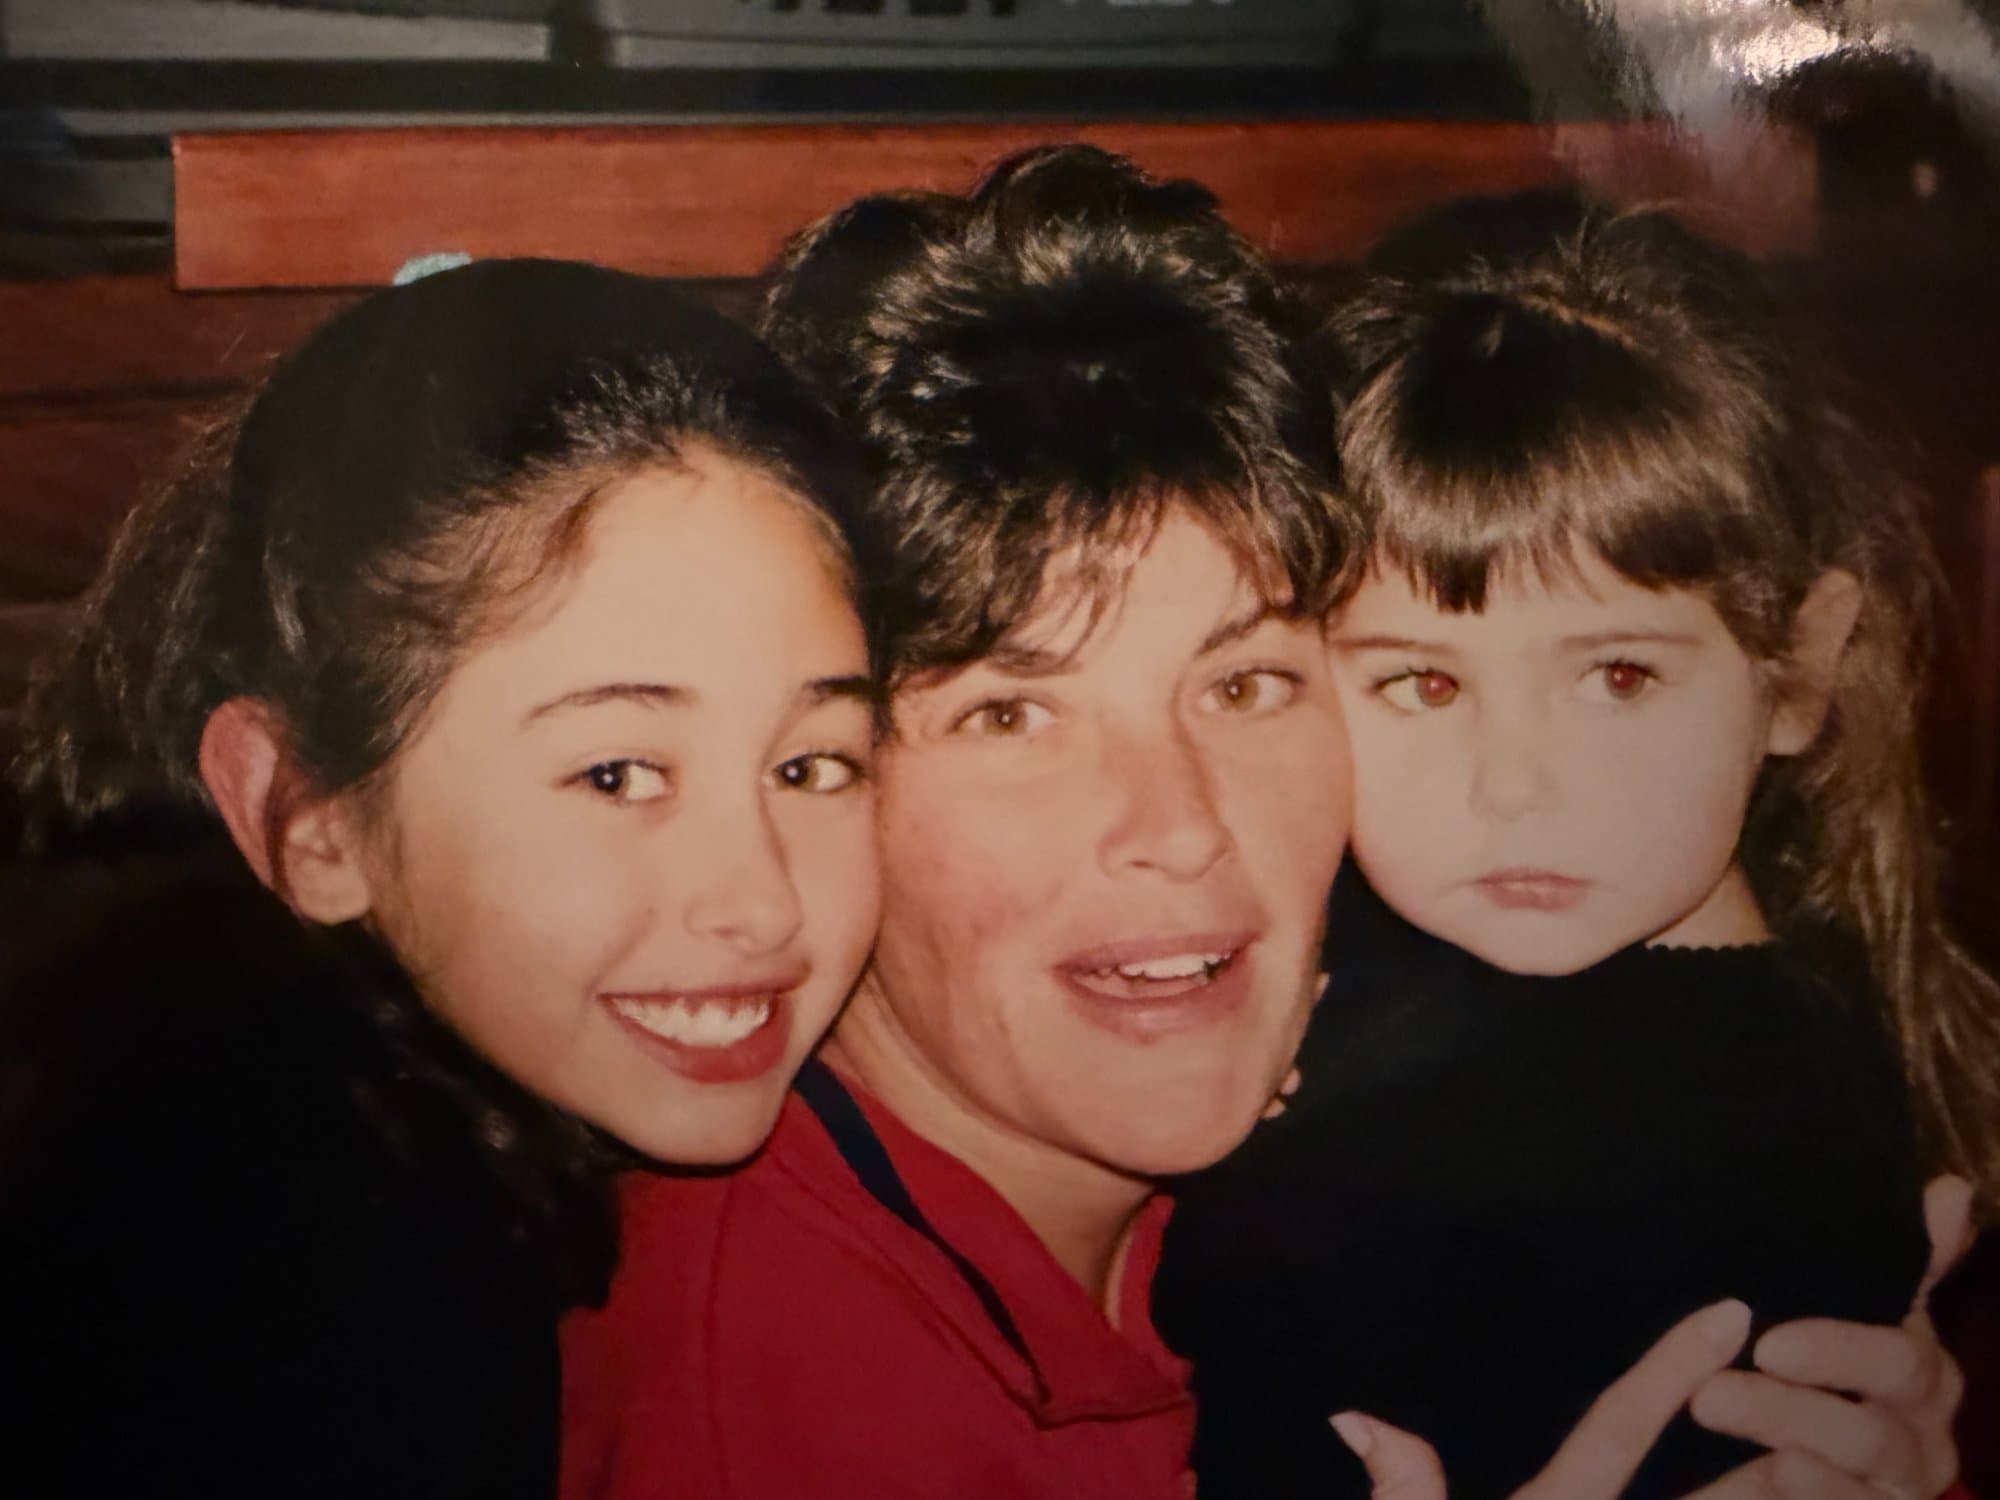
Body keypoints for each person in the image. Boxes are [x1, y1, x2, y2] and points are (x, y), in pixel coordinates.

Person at [560, 150, 1967, 1500]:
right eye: (1011, 715)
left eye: (1245, 682)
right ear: (823, 774)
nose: (1176, 828)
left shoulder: (1399, 1106)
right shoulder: (781, 1415)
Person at [1156, 190, 1994, 1500]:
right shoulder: (1434, 988)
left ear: (1797, 674)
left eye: (1617, 677)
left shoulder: (1735, 1142)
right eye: (1423, 685)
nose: (1515, 788)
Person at [0, 259, 883, 1499]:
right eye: (619, 776)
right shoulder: (299, 1286)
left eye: (811, 765)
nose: (762, 901)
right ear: (307, 818)